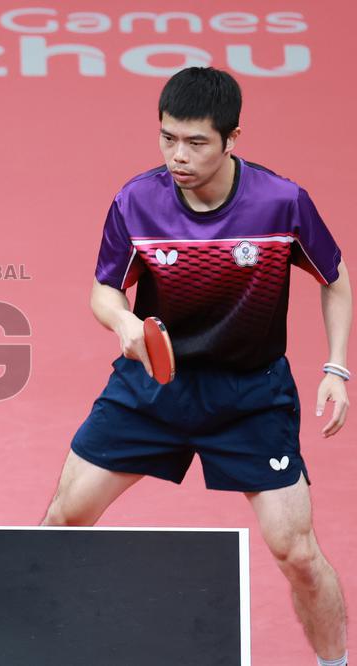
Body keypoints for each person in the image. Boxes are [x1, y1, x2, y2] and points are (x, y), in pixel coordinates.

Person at [41, 67, 350, 666]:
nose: (178, 156)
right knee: (64, 519)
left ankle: (335, 665)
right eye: (167, 139)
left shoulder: (281, 203)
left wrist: (337, 368)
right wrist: (125, 322)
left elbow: (334, 279)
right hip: (154, 386)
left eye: (196, 142)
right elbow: (104, 290)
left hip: (251, 394)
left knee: (298, 552)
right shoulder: (137, 201)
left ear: (233, 138)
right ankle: (30, 646)